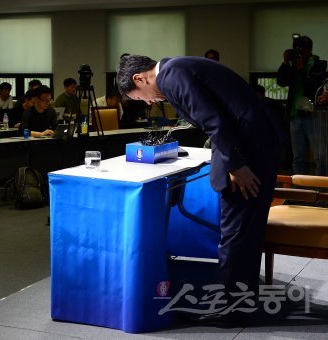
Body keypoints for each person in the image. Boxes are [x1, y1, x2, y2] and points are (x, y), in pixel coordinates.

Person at [117, 54, 282, 327]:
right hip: (257, 143)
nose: (148, 102)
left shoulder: (170, 75)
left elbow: (214, 120)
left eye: (139, 97)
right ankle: (242, 303)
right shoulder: (178, 67)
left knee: (235, 233)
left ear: (140, 78)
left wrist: (235, 164)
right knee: (247, 231)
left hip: (246, 151)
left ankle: (232, 310)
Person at [277, 35, 327, 175]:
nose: (299, 54)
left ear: (309, 50)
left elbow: (314, 86)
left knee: (319, 156)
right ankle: (299, 190)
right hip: (295, 116)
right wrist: (285, 63)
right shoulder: (292, 65)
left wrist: (300, 69)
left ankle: (321, 190)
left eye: (302, 50)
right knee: (298, 157)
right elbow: (281, 82)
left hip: (313, 115)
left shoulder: (319, 64)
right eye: (296, 50)